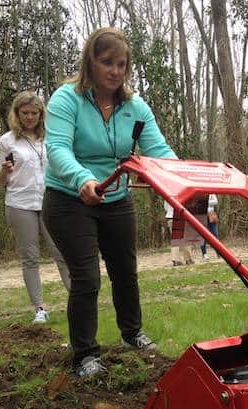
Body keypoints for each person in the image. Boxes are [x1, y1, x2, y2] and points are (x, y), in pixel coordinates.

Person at [42, 27, 177, 377]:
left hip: (116, 198)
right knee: (87, 278)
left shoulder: (134, 106)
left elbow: (159, 151)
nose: (115, 71)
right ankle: (86, 355)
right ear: (91, 61)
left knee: (125, 272)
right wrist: (81, 178)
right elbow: (56, 148)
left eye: (121, 64)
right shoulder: (65, 99)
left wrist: (183, 181)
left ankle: (132, 334)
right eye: (107, 63)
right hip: (69, 199)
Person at [0, 91, 70, 325]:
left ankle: (77, 301)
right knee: (30, 257)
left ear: (41, 115)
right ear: (17, 115)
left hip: (50, 200)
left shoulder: (51, 137)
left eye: (34, 113)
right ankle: (39, 308)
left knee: (62, 253)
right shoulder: (7, 141)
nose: (29, 117)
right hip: (20, 203)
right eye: (24, 113)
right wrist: (5, 170)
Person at [164, 201, 195, 266]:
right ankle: (188, 259)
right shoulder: (181, 193)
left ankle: (176, 259)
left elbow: (166, 207)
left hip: (170, 218)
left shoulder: (168, 193)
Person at [201, 194, 220, 259]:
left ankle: (219, 253)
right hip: (202, 215)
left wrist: (206, 202)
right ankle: (204, 254)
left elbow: (215, 202)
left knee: (215, 234)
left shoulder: (212, 193)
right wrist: (209, 202)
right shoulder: (199, 193)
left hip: (211, 214)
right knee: (203, 235)